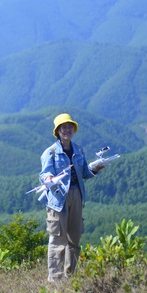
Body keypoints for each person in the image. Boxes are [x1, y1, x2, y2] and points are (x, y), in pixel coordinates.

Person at [38, 113, 105, 282]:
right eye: (63, 127)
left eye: (69, 127)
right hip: (58, 198)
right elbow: (44, 173)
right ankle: (55, 279)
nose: (67, 130)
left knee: (74, 238)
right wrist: (48, 179)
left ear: (73, 130)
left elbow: (83, 174)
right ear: (57, 131)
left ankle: (70, 276)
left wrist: (96, 168)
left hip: (77, 195)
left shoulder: (79, 150)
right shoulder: (51, 152)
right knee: (57, 238)